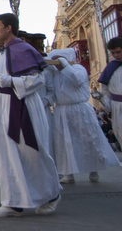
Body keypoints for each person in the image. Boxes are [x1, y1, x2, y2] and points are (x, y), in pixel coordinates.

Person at [0, 13, 61, 218]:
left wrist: (11, 82)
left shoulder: (23, 49)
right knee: (6, 152)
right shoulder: (2, 54)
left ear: (9, 28)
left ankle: (50, 193)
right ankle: (13, 201)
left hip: (23, 105)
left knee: (30, 151)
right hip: (6, 105)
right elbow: (5, 80)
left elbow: (38, 79)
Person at [48, 48, 120, 183]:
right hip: (62, 110)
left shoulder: (78, 69)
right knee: (64, 142)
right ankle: (68, 173)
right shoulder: (54, 74)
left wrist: (65, 66)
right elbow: (52, 90)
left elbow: (78, 80)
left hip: (79, 109)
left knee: (88, 139)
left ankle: (94, 169)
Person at [99, 36, 122, 160]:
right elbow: (105, 89)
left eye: (118, 52)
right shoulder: (111, 67)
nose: (116, 55)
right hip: (117, 106)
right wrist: (106, 103)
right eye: (113, 53)